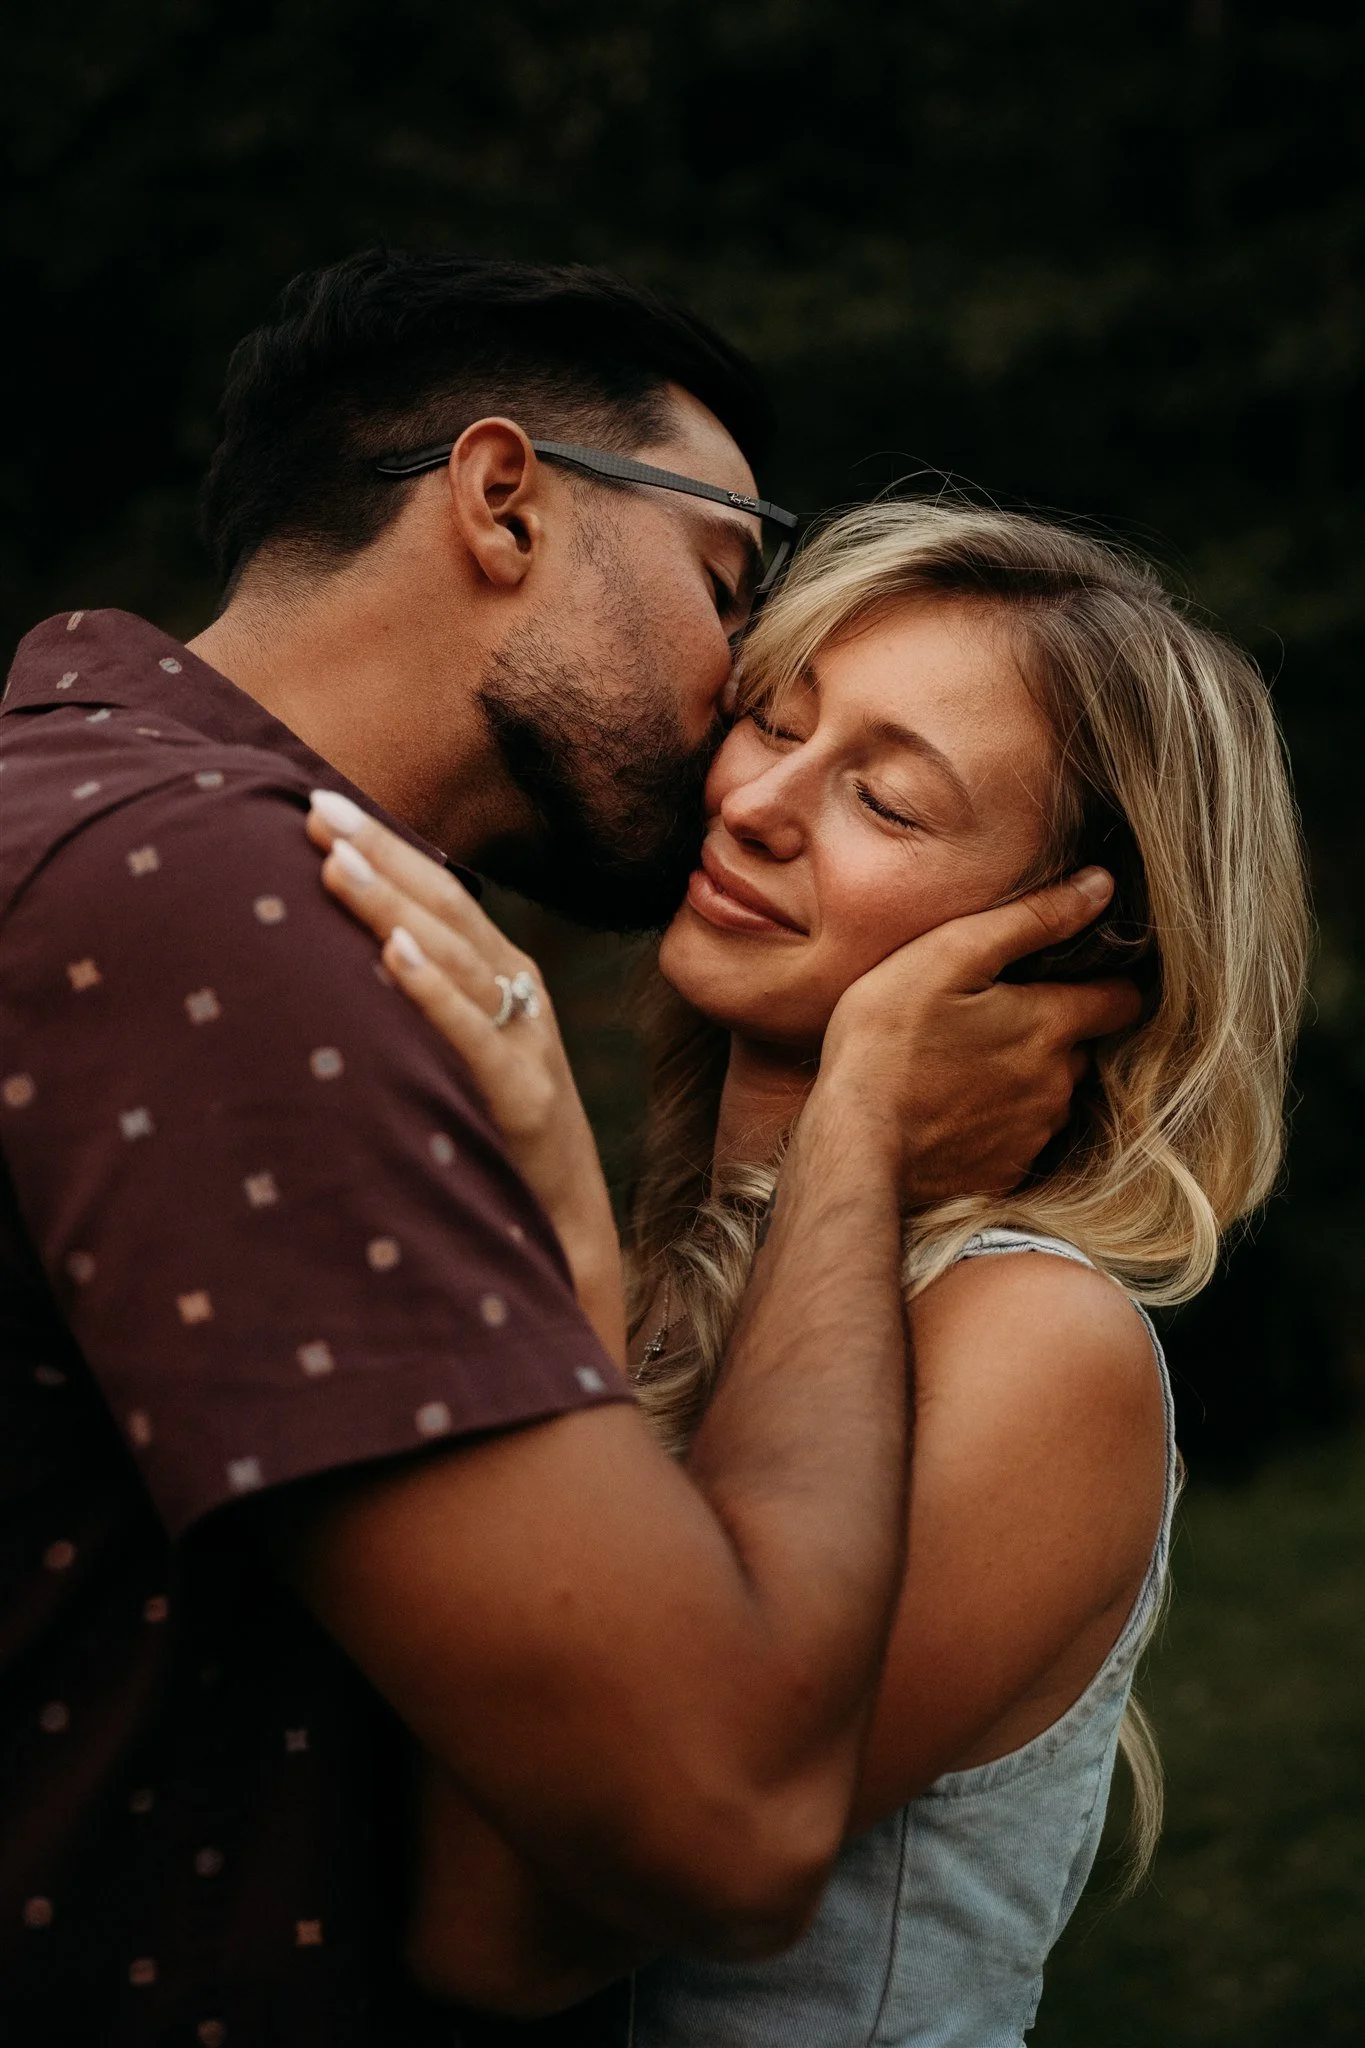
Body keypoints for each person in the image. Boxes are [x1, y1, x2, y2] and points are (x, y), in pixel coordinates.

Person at [0, 254, 1136, 2045]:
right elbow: (654, 1831)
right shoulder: (221, 900)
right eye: (734, 617)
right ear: (503, 497)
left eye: (890, 792)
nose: (735, 774)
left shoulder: (125, 829)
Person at [309, 498, 1310, 2045]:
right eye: (771, 719)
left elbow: (515, 1936)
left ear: (1068, 962)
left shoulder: (1038, 1338)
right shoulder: (670, 1273)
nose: (758, 802)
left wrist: (846, 1117)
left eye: (889, 803)